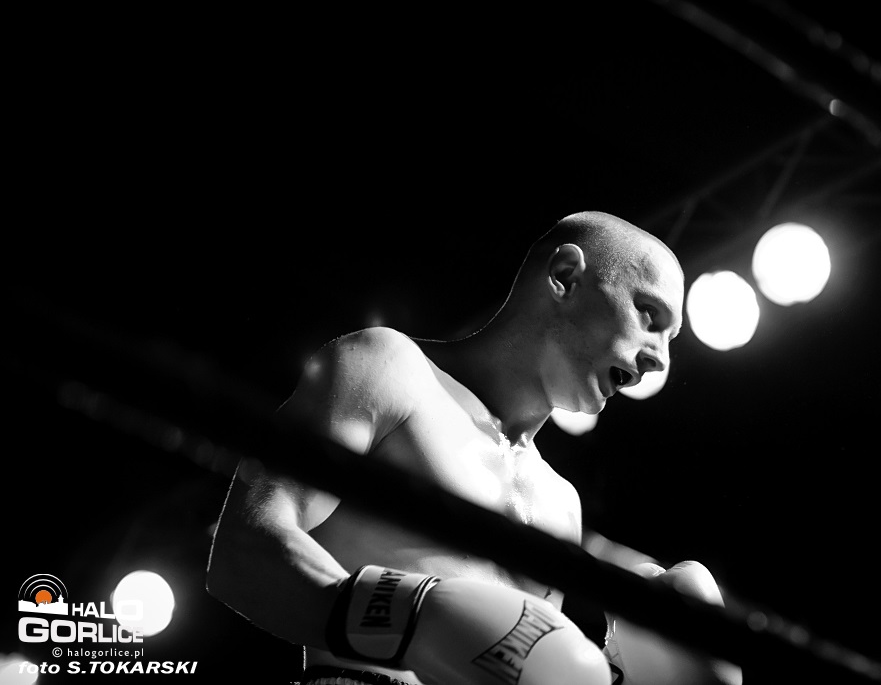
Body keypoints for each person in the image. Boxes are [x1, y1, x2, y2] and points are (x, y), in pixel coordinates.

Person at [206, 211, 740, 685]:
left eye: (670, 340)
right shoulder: (392, 368)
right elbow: (242, 549)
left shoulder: (561, 504)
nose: (660, 360)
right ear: (565, 276)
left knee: (685, 607)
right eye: (649, 315)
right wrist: (415, 621)